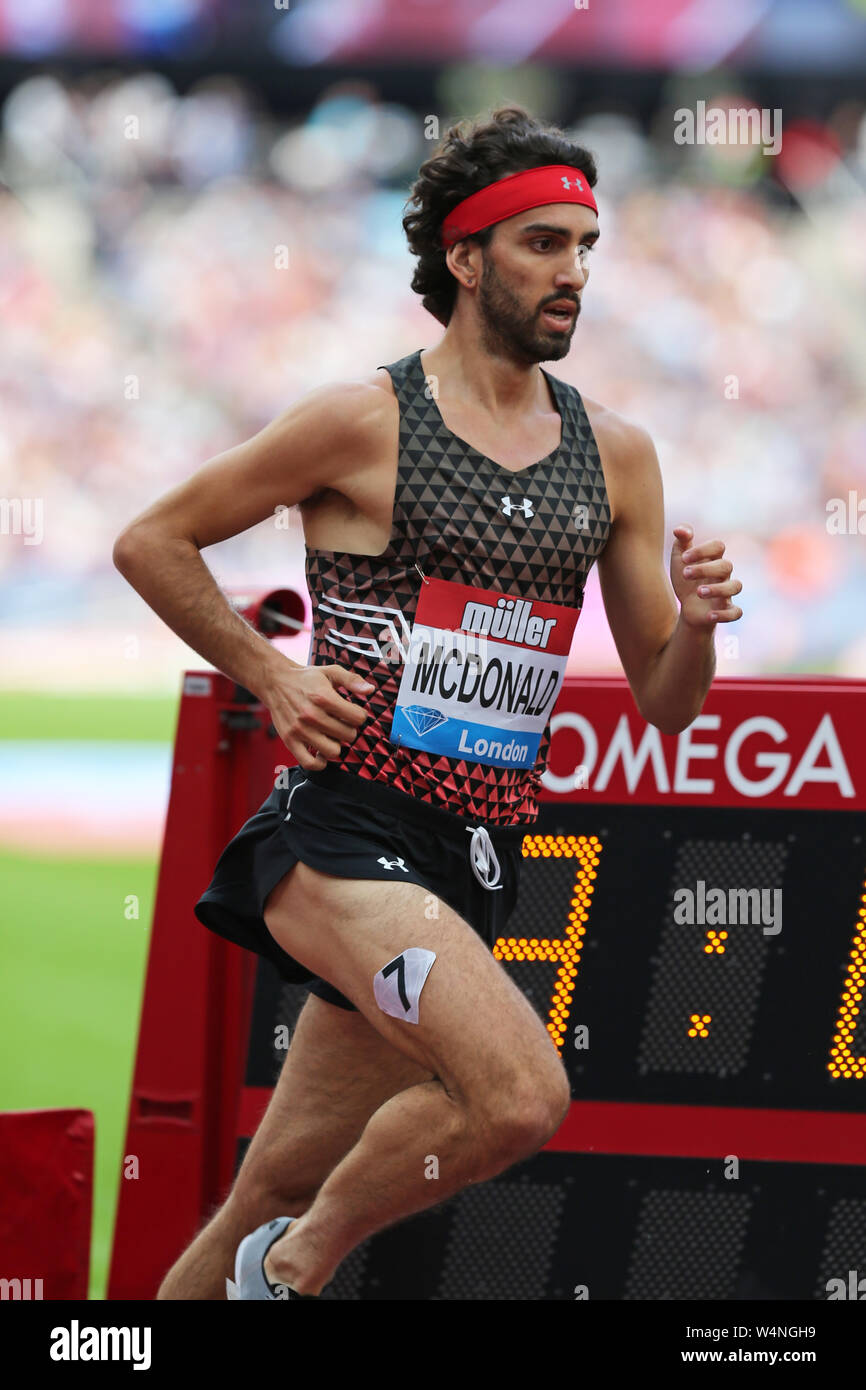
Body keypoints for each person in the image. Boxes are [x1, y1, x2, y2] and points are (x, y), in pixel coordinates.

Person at [113, 105, 742, 1300]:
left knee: (276, 1174)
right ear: (464, 257)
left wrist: (696, 626)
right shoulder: (361, 419)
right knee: (518, 1097)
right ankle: (291, 1273)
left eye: (585, 247)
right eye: (542, 245)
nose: (574, 275)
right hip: (341, 833)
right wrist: (274, 674)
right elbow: (153, 539)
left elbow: (665, 702)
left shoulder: (616, 454)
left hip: (468, 857)